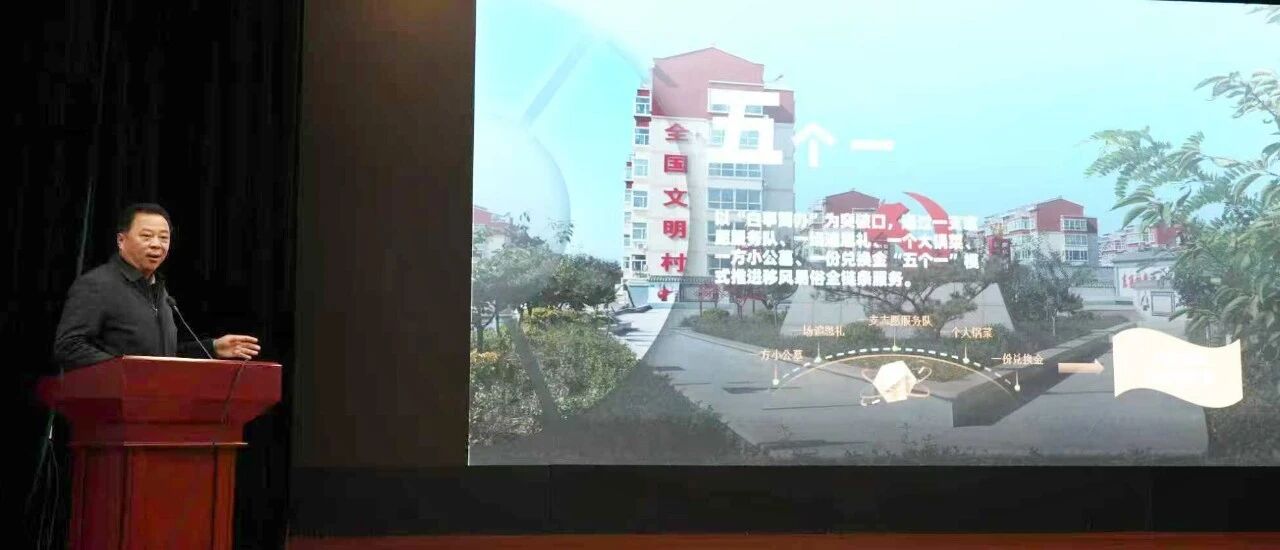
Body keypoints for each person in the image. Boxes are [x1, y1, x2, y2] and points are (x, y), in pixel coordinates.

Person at [52, 203, 260, 369]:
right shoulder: (97, 284)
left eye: (164, 238)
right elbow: (69, 347)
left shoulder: (160, 291)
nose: (156, 244)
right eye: (146, 236)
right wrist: (127, 370)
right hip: (111, 403)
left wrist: (212, 348)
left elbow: (162, 359)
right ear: (121, 240)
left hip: (155, 401)